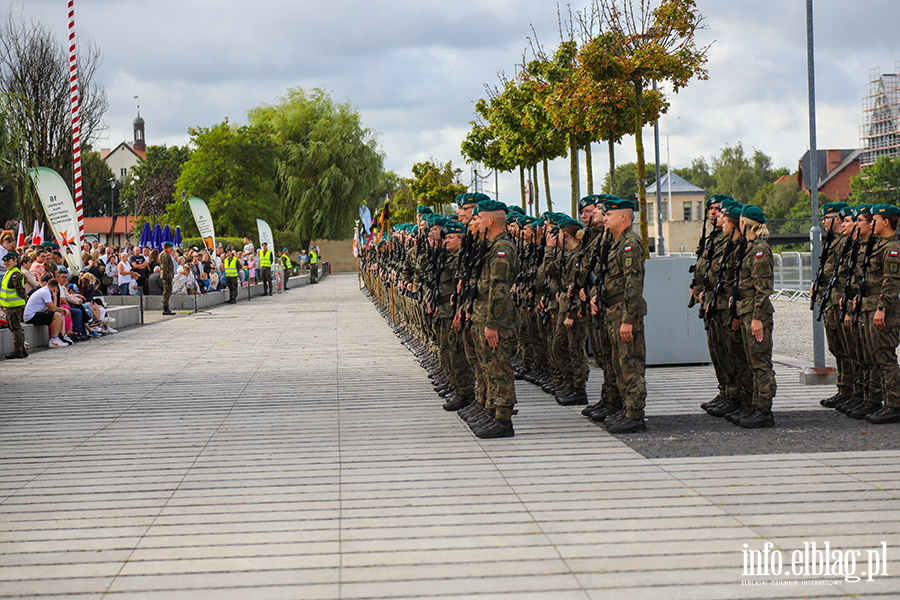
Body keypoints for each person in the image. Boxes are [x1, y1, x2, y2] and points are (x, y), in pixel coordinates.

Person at [592, 197, 648, 434]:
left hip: (624, 315)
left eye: (609, 215)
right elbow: (607, 277)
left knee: (629, 365)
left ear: (623, 217)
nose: (604, 218)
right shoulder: (614, 243)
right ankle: (625, 409)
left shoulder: (630, 244)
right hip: (611, 312)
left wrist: (627, 320)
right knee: (617, 364)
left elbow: (633, 285)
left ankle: (635, 415)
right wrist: (597, 295)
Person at [469, 199, 519, 439]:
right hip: (485, 314)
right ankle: (493, 411)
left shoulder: (502, 248)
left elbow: (499, 290)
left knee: (499, 368)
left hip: (495, 319)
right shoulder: (490, 246)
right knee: (489, 367)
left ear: (490, 220)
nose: (474, 222)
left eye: (478, 218)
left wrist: (491, 324)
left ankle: (503, 419)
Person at [733, 205, 777, 428]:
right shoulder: (750, 248)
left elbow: (764, 287)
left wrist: (757, 317)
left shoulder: (759, 250)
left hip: (755, 313)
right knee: (752, 361)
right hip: (746, 310)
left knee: (760, 362)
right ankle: (755, 405)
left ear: (744, 224)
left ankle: (764, 409)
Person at [861, 204, 900, 424]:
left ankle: (894, 405)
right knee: (877, 357)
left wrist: (882, 308)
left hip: (884, 310)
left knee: (886, 358)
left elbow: (891, 281)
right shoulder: (880, 245)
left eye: (874, 219)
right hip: (872, 304)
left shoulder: (892, 248)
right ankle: (886, 401)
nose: (871, 222)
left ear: (886, 222)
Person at [24, 278, 67, 348]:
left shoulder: (44, 290)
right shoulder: (45, 292)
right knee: (57, 316)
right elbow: (53, 309)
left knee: (59, 314)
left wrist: (62, 310)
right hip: (31, 316)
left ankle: (58, 337)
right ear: (55, 288)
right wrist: (55, 296)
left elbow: (50, 308)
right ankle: (54, 340)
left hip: (33, 314)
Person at [1, 252, 28, 358]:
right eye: (5, 261)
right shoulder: (9, 272)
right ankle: (22, 349)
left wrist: (24, 297)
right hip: (9, 305)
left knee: (15, 328)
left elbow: (19, 289)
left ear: (15, 261)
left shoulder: (14, 273)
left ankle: (18, 351)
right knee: (15, 327)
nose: (6, 263)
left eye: (8, 261)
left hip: (14, 305)